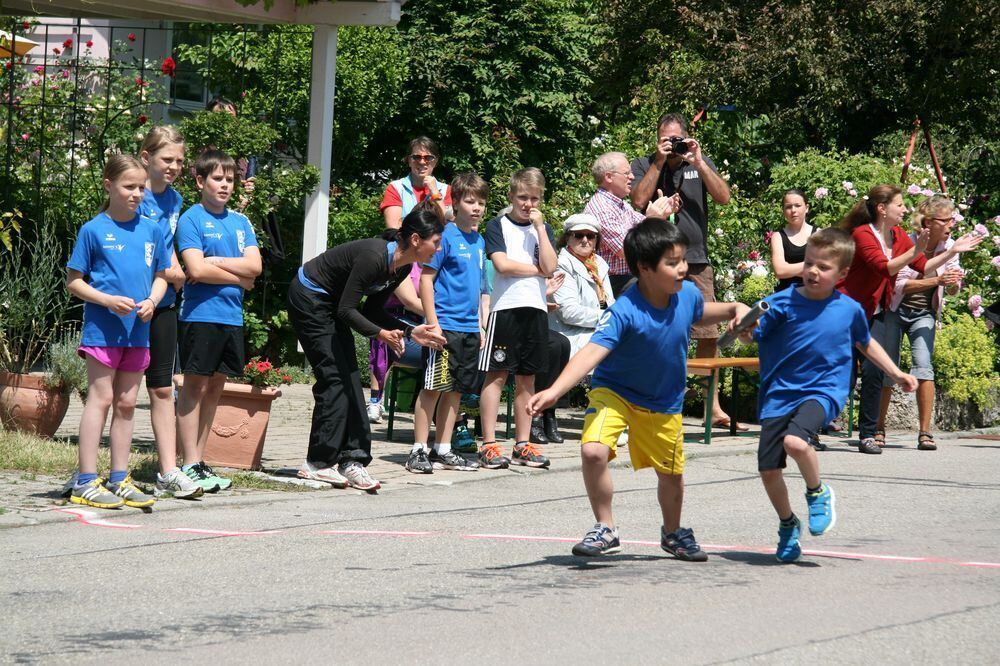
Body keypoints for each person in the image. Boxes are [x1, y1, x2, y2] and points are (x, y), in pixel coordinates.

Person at [528, 217, 749, 561]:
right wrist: (555, 390)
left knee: (671, 474)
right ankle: (606, 527)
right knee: (593, 451)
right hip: (615, 393)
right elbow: (591, 353)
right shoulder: (624, 311)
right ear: (646, 268)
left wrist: (736, 308)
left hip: (664, 401)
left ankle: (673, 533)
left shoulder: (686, 294)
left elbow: (702, 312)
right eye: (672, 263)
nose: (682, 269)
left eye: (682, 260)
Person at [738, 228, 918, 562]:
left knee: (796, 442)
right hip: (779, 393)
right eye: (808, 263)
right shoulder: (780, 303)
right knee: (768, 470)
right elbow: (752, 335)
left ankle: (817, 492)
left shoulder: (848, 310)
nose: (812, 271)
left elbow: (865, 342)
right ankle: (788, 524)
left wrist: (896, 372)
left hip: (823, 390)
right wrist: (745, 332)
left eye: (823, 267)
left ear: (843, 274)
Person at [288, 209, 447, 490]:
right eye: (435, 241)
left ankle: (352, 460)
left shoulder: (403, 267)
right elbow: (347, 310)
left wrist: (411, 331)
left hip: (331, 303)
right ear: (414, 239)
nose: (439, 247)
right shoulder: (374, 257)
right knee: (333, 378)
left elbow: (373, 310)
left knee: (350, 377)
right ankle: (317, 463)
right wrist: (380, 334)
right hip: (309, 297)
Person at [838, 184, 981, 454]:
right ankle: (810, 429)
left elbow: (923, 267)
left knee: (873, 372)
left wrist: (952, 252)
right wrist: (917, 250)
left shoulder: (898, 234)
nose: (906, 209)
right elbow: (885, 267)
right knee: (842, 376)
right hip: (846, 312)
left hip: (874, 313)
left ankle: (868, 435)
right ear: (882, 209)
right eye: (900, 204)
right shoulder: (862, 233)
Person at [65, 155, 171, 509]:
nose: (137, 194)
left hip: (137, 332)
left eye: (141, 187)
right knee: (102, 398)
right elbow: (74, 283)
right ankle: (84, 480)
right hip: (103, 331)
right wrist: (107, 300)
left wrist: (153, 302)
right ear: (108, 185)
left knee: (126, 404)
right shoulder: (93, 229)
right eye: (129, 186)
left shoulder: (153, 229)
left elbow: (161, 275)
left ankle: (119, 478)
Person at [630, 113, 739, 431]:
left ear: (687, 138)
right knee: (653, 330)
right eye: (667, 139)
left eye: (677, 139)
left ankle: (711, 406)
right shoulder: (645, 162)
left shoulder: (697, 162)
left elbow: (724, 197)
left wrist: (700, 161)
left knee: (709, 333)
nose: (673, 145)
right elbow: (637, 200)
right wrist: (659, 163)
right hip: (655, 261)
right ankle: (652, 399)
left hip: (695, 260)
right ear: (658, 138)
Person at [175, 149, 262, 492]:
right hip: (200, 315)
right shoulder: (191, 219)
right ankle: (188, 462)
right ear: (200, 181)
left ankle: (200, 458)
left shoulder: (241, 222)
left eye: (230, 179)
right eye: (217, 178)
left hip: (231, 316)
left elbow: (255, 269)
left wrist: (216, 265)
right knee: (194, 387)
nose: (225, 185)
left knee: (216, 388)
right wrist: (237, 275)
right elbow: (194, 269)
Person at [408, 173, 491, 474]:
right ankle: (418, 449)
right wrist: (433, 323)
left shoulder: (479, 240)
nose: (476, 207)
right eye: (470, 201)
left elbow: (482, 288)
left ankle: (443, 448)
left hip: (469, 328)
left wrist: (480, 326)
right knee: (433, 388)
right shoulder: (445, 236)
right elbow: (426, 282)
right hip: (444, 326)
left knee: (455, 389)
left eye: (481, 202)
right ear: (455, 202)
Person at [478, 167, 558, 470]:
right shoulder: (497, 225)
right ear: (512, 196)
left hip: (535, 308)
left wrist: (539, 230)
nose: (528, 204)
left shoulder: (543, 229)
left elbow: (550, 266)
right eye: (523, 197)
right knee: (497, 374)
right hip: (506, 308)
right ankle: (489, 443)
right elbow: (502, 265)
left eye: (534, 198)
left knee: (528, 377)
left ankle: (522, 444)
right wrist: (537, 270)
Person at [369, 136, 451, 423]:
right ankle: (375, 398)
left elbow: (449, 226)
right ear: (409, 160)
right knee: (386, 320)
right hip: (404, 256)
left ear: (435, 162)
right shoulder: (396, 188)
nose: (422, 163)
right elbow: (393, 227)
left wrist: (434, 194)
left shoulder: (444, 190)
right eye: (417, 157)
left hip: (432, 259)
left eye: (428, 158)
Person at [878, 196, 965, 451]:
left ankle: (925, 432)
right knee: (888, 369)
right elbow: (902, 285)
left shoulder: (950, 246)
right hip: (896, 310)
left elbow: (952, 290)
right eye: (945, 220)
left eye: (952, 219)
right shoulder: (907, 242)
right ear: (928, 222)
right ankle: (878, 428)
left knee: (924, 368)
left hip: (924, 313)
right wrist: (937, 281)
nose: (951, 225)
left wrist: (952, 284)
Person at [584, 151, 678, 297]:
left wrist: (662, 213)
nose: (632, 177)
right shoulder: (601, 208)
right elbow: (627, 250)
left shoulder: (620, 204)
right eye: (626, 173)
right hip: (615, 283)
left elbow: (643, 227)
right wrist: (652, 220)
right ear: (608, 177)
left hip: (631, 278)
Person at [769, 189, 814, 292]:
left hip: (814, 297)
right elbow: (780, 271)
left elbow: (824, 270)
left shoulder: (819, 235)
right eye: (788, 207)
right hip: (786, 298)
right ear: (784, 211)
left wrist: (789, 269)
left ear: (806, 208)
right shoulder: (778, 237)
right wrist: (810, 266)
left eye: (797, 205)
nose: (793, 210)